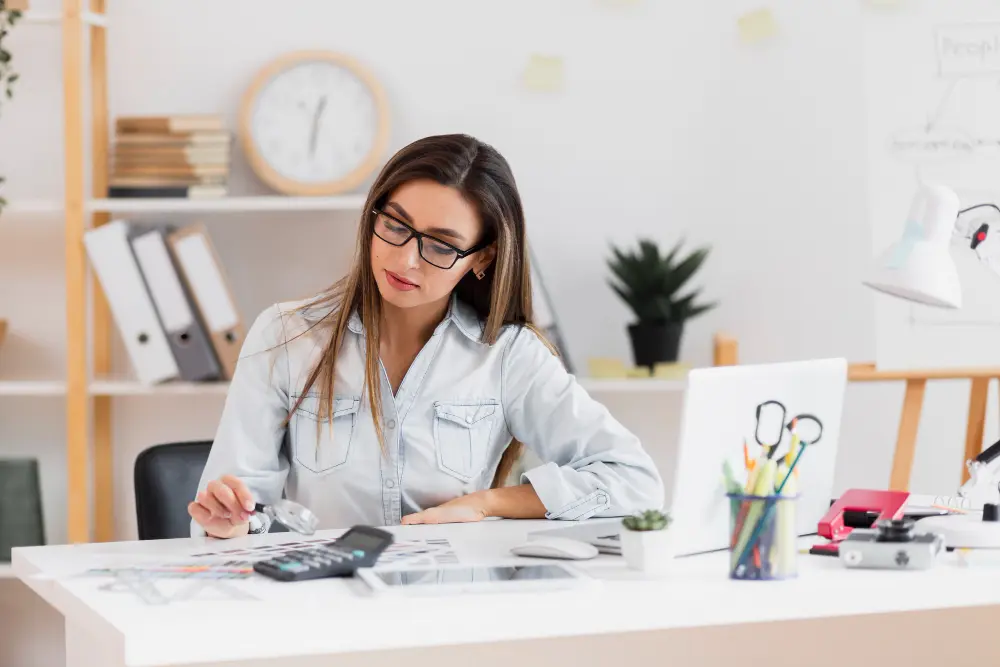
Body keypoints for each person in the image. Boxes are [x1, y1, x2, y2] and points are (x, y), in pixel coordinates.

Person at [189, 133, 664, 539]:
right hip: (325, 597)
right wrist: (228, 523)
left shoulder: (507, 355)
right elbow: (233, 512)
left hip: (449, 598)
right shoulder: (285, 337)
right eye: (395, 225)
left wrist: (487, 503)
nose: (405, 259)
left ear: (482, 258)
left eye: (440, 245)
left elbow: (635, 481)